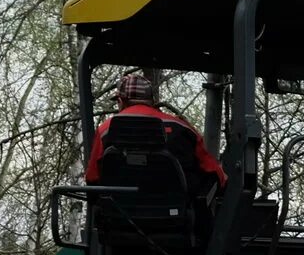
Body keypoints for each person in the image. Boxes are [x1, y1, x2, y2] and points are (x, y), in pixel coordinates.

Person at [84, 72, 226, 187]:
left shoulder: (106, 130)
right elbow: (213, 171)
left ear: (120, 101)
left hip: (117, 215)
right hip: (176, 216)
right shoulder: (182, 128)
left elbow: (92, 178)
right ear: (152, 100)